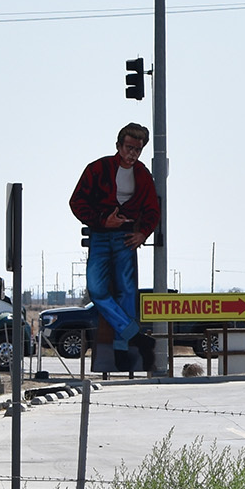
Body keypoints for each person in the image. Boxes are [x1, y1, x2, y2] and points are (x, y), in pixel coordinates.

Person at [69, 123, 158, 360]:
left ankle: (122, 348)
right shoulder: (97, 168)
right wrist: (100, 220)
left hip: (127, 237)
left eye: (137, 149)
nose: (132, 154)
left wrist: (143, 234)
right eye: (129, 147)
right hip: (99, 235)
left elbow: (152, 210)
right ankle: (134, 336)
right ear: (119, 146)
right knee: (97, 290)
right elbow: (76, 201)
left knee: (127, 290)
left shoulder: (142, 175)